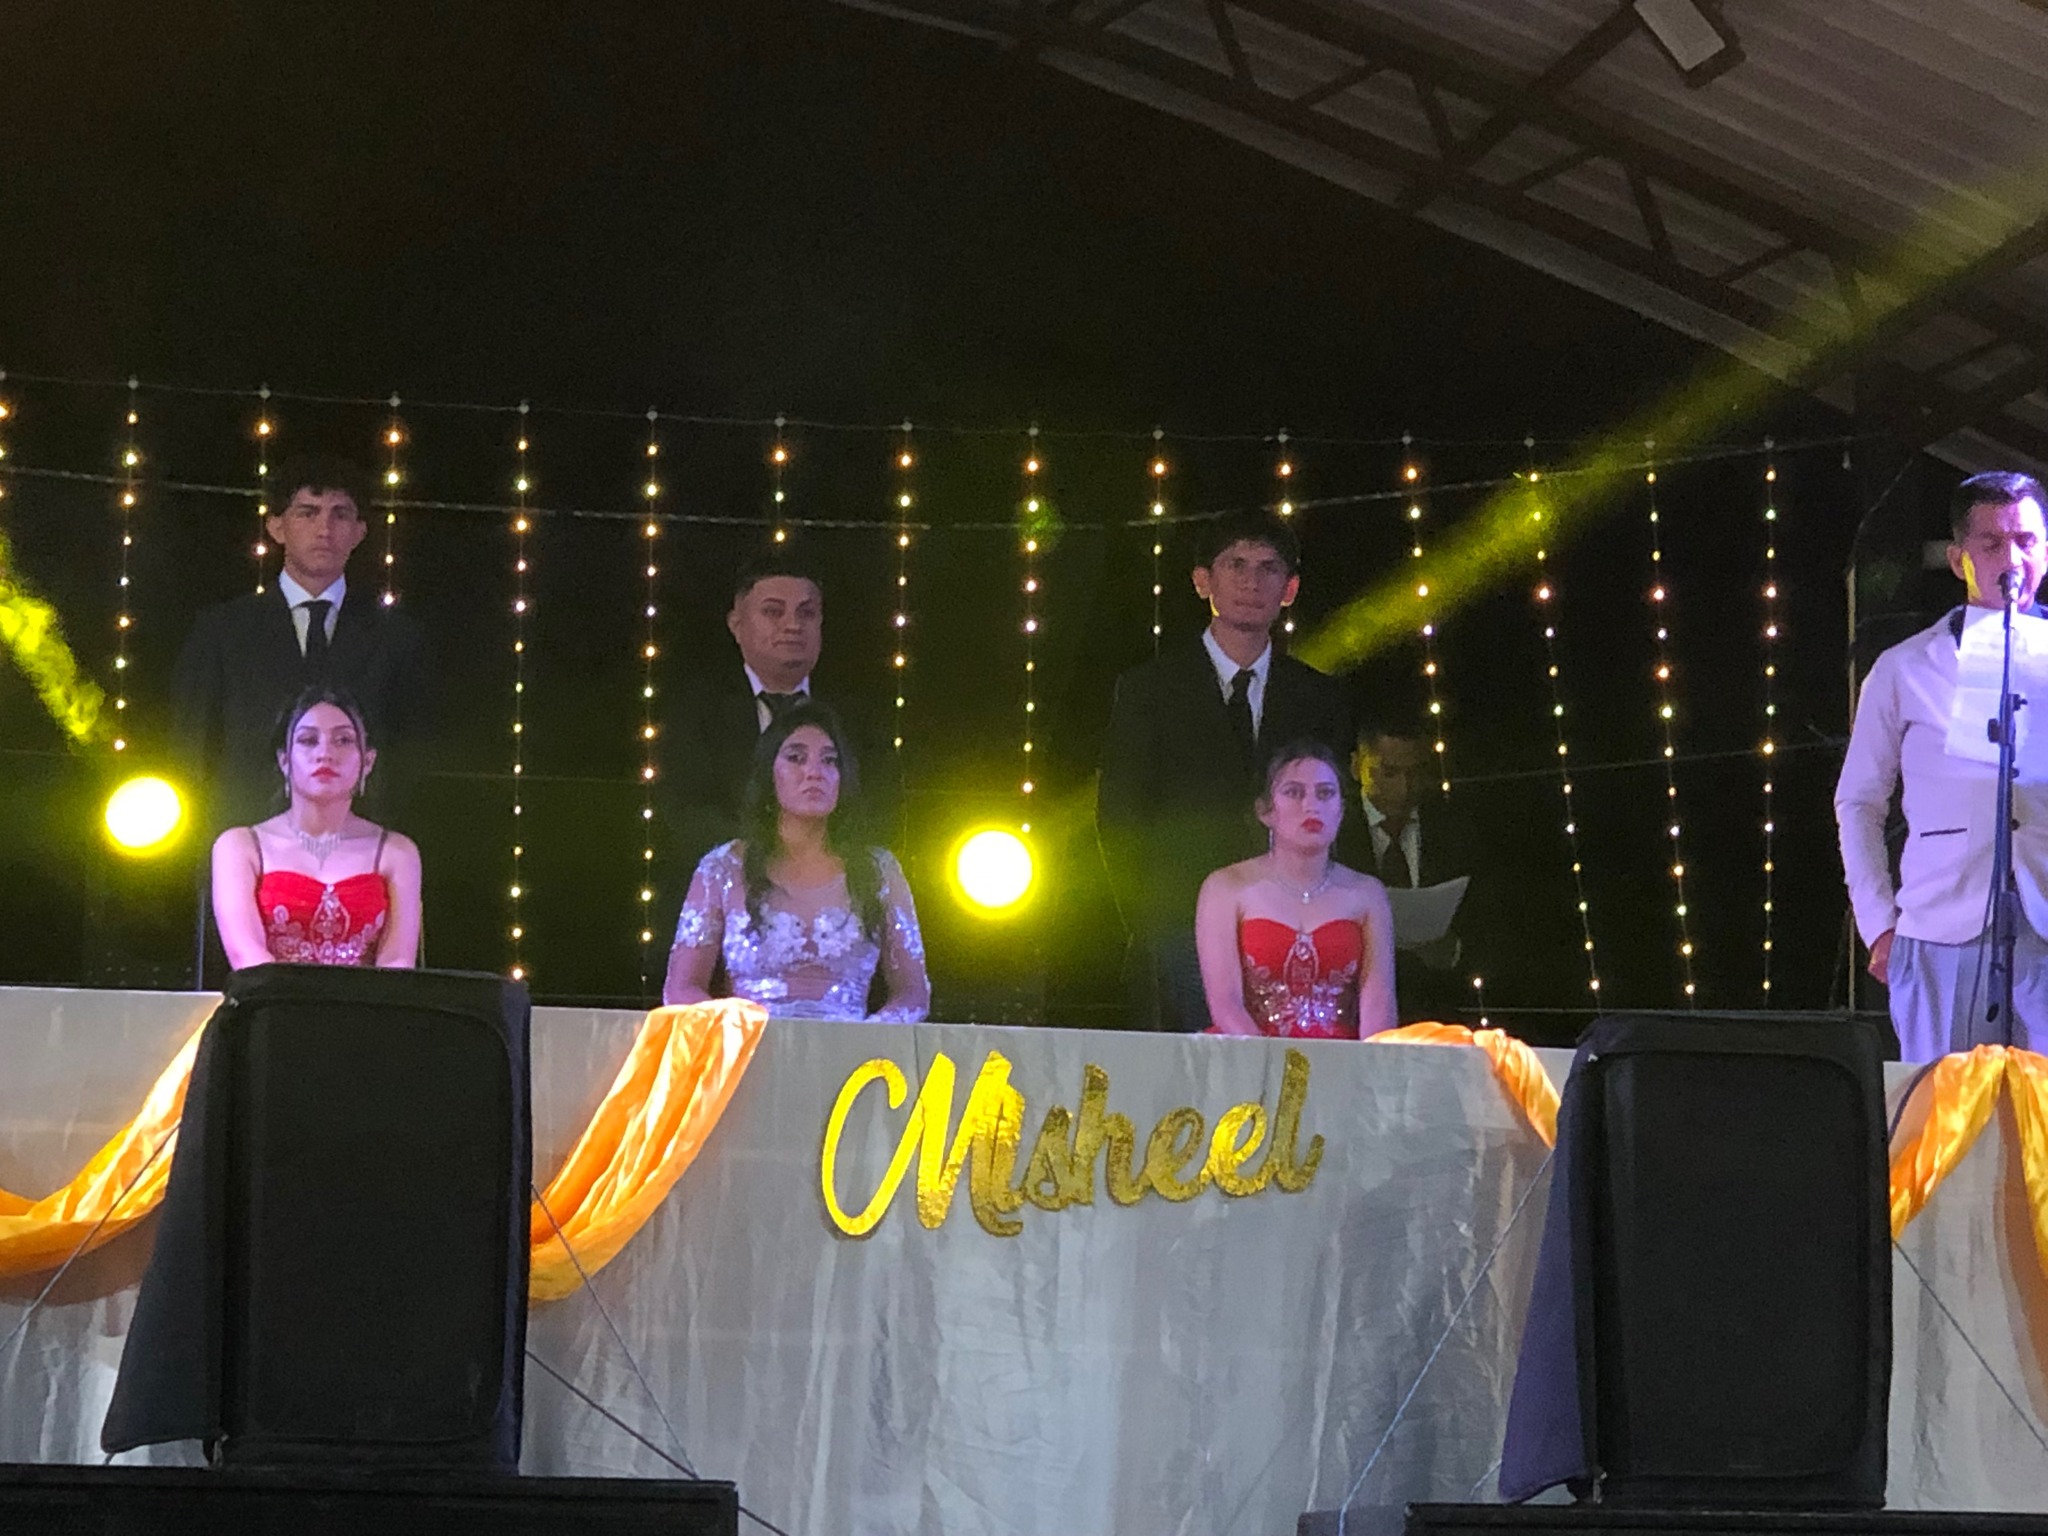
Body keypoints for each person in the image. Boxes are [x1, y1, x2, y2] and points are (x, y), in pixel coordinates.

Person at [1097, 509, 1353, 1032]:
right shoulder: (1149, 690)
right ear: (1202, 581)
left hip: (1293, 930)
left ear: (1289, 588)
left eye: (1268, 568)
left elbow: (1336, 815)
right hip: (1179, 932)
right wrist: (1150, 924)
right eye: (1235, 564)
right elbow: (1120, 817)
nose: (1251, 582)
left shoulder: (1318, 697)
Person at [1836, 470, 2048, 1061]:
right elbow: (1859, 801)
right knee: (1944, 1107)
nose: (2012, 559)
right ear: (1959, 560)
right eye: (1991, 543)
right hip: (1941, 930)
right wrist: (1879, 923)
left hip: (2044, 923)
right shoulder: (1906, 666)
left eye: (2026, 541)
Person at [173, 453, 431, 833]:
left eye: (340, 514)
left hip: (360, 846)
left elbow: (411, 760)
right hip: (247, 842)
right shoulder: (223, 630)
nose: (324, 529)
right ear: (276, 526)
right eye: (308, 513)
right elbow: (191, 752)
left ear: (359, 531)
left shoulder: (396, 638)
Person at [663, 701, 928, 1021]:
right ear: (768, 773)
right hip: (751, 1047)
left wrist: (865, 1039)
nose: (814, 772)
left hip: (852, 1050)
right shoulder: (722, 868)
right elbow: (681, 990)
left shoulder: (879, 870)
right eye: (796, 758)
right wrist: (737, 1031)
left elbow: (913, 995)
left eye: (829, 760)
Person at [661, 547, 894, 887]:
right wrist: (768, 865)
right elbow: (685, 811)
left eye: (806, 613)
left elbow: (882, 806)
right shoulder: (695, 711)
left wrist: (821, 868)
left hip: (837, 893)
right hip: (728, 893)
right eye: (773, 611)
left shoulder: (857, 713)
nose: (793, 625)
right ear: (736, 625)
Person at [210, 686, 422, 969]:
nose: (325, 753)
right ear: (285, 760)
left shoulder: (396, 852)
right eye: (308, 740)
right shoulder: (241, 846)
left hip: (367, 999)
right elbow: (247, 958)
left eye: (343, 740)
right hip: (270, 996)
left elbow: (398, 962)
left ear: (368, 761)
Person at [1194, 741, 1397, 1039]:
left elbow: (1379, 1008)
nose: (1312, 806)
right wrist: (1270, 1062)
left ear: (1341, 811)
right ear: (1265, 811)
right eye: (1294, 792)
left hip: (1339, 1056)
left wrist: (1367, 1065)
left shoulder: (1367, 893)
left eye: (1325, 793)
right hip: (1248, 1052)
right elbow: (1226, 1005)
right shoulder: (1226, 887)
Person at [1351, 714, 1479, 1021]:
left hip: (1437, 1008)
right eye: (1388, 773)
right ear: (1356, 767)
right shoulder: (1331, 832)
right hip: (1353, 1009)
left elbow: (1485, 919)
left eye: (1415, 773)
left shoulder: (1453, 828)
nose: (1405, 788)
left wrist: (1453, 950)